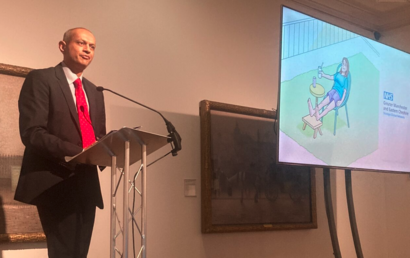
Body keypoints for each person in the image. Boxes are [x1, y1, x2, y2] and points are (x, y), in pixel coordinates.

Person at [14, 27, 106, 258]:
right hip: (55, 180)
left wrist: (110, 145)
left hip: (87, 183)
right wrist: (78, 152)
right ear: (63, 46)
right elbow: (32, 132)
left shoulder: (95, 91)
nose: (87, 50)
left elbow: (98, 135)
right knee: (63, 253)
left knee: (79, 254)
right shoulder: (41, 79)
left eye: (92, 46)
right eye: (81, 43)